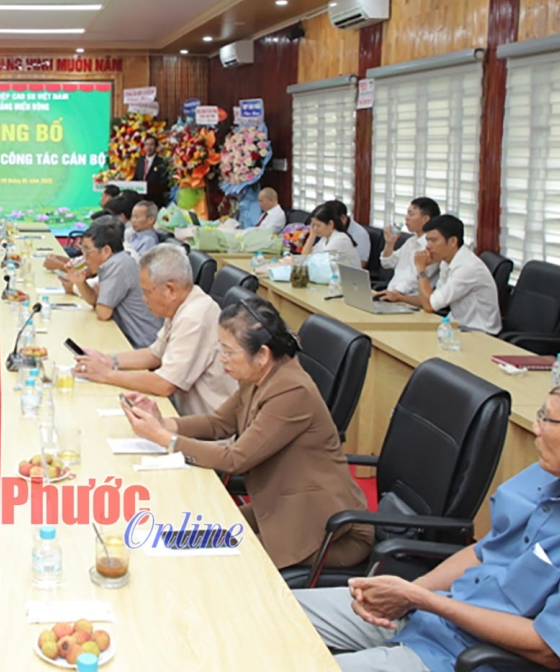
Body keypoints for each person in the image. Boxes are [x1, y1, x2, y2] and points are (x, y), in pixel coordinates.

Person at [295, 363, 560, 672]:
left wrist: (425, 600)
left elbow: (547, 648)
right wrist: (412, 594)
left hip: (458, 657)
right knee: (271, 614)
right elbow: (485, 551)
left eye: (547, 418)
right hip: (429, 614)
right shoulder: (550, 475)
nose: (536, 427)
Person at [122, 296, 373, 570]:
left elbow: (235, 459)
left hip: (325, 529)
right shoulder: (259, 375)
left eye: (229, 352)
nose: (223, 359)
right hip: (280, 504)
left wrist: (165, 439)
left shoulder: (292, 391)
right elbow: (219, 423)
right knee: (193, 535)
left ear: (262, 354)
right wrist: (167, 423)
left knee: (215, 559)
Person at [74, 244, 237, 415]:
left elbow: (165, 384)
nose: (143, 299)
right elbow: (155, 354)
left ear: (170, 289)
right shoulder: (181, 303)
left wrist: (106, 374)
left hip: (204, 424)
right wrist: (107, 360)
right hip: (182, 413)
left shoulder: (194, 317)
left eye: (146, 292)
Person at [378, 215, 502, 335]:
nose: (428, 246)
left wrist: (421, 268)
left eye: (434, 240)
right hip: (456, 327)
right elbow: (430, 300)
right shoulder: (446, 262)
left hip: (479, 334)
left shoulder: (467, 267)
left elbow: (429, 306)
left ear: (452, 241)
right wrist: (398, 297)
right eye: (427, 240)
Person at [58, 218, 163, 348]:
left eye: (87, 251)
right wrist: (80, 282)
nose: (84, 257)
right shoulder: (117, 261)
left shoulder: (117, 265)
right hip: (128, 336)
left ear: (106, 251)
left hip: (138, 343)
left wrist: (98, 300)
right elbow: (95, 300)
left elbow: (103, 313)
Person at [379, 198, 440, 295]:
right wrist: (389, 244)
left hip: (409, 298)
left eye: (411, 214)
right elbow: (387, 264)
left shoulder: (432, 247)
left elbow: (415, 281)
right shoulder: (410, 242)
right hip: (392, 294)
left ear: (425, 219)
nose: (406, 218)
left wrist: (393, 293)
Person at [301, 202, 362, 271]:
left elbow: (319, 264)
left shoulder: (340, 239)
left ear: (330, 224)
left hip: (350, 277)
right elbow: (305, 257)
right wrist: (312, 235)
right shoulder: (325, 238)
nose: (315, 228)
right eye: (313, 225)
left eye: (318, 225)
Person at [329, 200, 371, 267]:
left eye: (331, 222)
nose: (329, 224)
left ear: (343, 218)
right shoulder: (328, 229)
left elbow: (361, 263)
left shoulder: (360, 234)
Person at [132, 135, 170, 204]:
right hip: (140, 197)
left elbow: (164, 181)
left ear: (156, 147)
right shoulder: (140, 160)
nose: (149, 147)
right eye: (147, 145)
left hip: (155, 198)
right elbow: (136, 176)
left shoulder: (161, 162)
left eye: (151, 145)